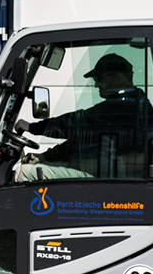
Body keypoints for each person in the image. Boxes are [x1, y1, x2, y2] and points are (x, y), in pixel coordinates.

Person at [15, 53, 152, 181]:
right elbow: (82, 138)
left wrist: (31, 127)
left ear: (119, 78)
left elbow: (75, 124)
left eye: (99, 78)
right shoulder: (136, 102)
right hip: (107, 172)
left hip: (107, 180)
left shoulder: (123, 107)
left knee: (24, 174)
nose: (96, 84)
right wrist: (45, 156)